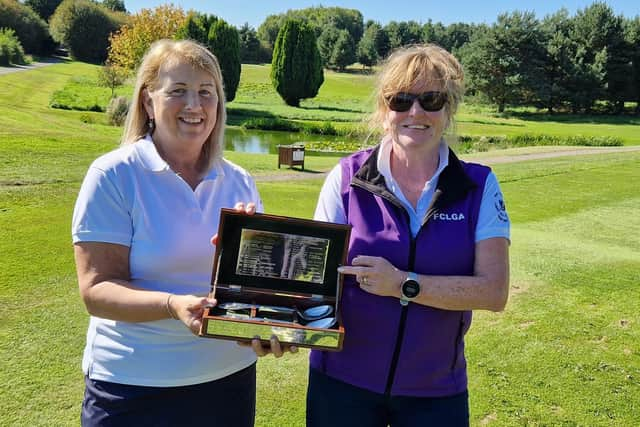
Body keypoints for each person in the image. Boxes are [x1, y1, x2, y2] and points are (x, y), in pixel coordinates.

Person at [307, 44, 511, 426]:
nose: (415, 112)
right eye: (400, 100)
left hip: (435, 392)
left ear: (448, 110)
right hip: (341, 384)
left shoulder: (479, 185)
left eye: (431, 99)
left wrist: (402, 284)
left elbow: (494, 292)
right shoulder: (346, 178)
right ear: (384, 112)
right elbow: (313, 278)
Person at [72, 39, 270, 426]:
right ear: (148, 102)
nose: (194, 105)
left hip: (227, 382)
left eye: (205, 93)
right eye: (178, 91)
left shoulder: (240, 181)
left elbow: (251, 291)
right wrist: (172, 305)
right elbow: (96, 291)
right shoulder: (114, 175)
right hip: (133, 386)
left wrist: (264, 320)